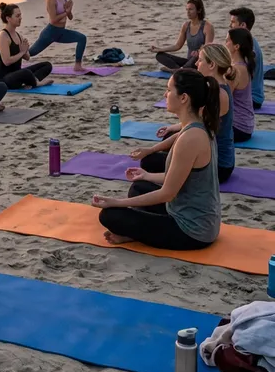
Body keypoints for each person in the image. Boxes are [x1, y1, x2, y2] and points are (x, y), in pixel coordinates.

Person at [92, 69, 221, 250]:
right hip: (195, 216)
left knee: (109, 215)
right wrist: (146, 176)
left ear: (184, 98)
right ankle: (134, 233)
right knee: (138, 188)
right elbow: (178, 179)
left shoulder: (190, 138)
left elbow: (167, 193)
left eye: (169, 90)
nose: (165, 94)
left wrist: (117, 202)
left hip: (192, 231)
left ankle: (133, 234)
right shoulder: (198, 126)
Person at [131, 44, 235, 182]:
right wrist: (172, 127)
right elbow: (196, 122)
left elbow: (193, 129)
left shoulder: (219, 95)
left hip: (219, 166)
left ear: (212, 65)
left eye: (200, 60)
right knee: (168, 136)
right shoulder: (218, 87)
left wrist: (151, 149)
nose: (196, 63)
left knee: (149, 161)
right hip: (212, 156)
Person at [27, 0, 87, 72]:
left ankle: (77, 65)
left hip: (61, 32)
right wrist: (66, 12)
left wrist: (69, 10)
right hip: (50, 32)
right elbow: (54, 19)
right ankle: (11, 59)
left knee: (82, 38)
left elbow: (70, 17)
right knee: (30, 54)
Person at [0, 3, 53, 89]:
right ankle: (35, 82)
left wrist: (25, 50)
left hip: (17, 75)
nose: (20, 18)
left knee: (47, 65)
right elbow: (7, 61)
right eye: (17, 16)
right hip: (3, 79)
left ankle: (32, 81)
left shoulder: (18, 36)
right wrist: (21, 52)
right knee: (25, 72)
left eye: (20, 15)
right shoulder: (3, 36)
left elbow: (27, 57)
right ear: (8, 18)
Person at [151, 0, 215, 70]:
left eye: (191, 9)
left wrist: (199, 52)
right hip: (188, 62)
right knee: (159, 56)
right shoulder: (186, 25)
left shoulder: (207, 26)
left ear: (199, 10)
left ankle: (177, 70)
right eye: (187, 9)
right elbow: (177, 46)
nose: (188, 12)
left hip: (199, 62)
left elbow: (207, 49)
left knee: (196, 57)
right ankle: (179, 70)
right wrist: (160, 49)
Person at [229, 7, 265, 109]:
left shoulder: (248, 47)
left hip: (251, 99)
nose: (230, 25)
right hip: (250, 97)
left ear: (243, 25)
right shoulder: (249, 42)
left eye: (233, 22)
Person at [226, 28, 256, 142]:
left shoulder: (235, 70)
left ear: (236, 46)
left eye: (227, 41)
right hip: (245, 125)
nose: (225, 43)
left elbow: (223, 100)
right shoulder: (243, 65)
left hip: (238, 128)